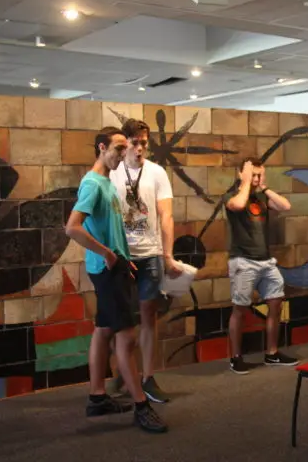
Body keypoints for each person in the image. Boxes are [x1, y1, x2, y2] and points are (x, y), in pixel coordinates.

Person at [65, 126, 168, 433]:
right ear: (101, 147)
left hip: (116, 267)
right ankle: (141, 405)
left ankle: (97, 398)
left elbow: (110, 227)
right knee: (126, 338)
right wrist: (109, 255)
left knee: (103, 330)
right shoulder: (93, 184)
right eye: (119, 148)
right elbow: (72, 228)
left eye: (126, 149)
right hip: (107, 270)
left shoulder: (106, 181)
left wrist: (121, 255)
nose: (124, 154)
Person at [106, 118, 181, 403]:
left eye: (144, 144)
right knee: (121, 320)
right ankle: (124, 374)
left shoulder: (156, 172)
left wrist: (167, 255)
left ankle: (148, 377)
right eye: (134, 143)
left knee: (149, 315)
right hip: (122, 255)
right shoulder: (113, 172)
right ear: (124, 144)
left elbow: (166, 215)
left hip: (149, 254)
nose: (139, 149)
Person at [223, 158, 298, 374]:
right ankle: (236, 357)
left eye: (259, 175)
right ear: (241, 174)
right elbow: (238, 205)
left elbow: (285, 206)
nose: (256, 178)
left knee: (276, 303)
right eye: (252, 174)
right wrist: (246, 181)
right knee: (240, 309)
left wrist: (264, 187)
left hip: (266, 261)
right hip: (243, 261)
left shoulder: (262, 197)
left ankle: (272, 353)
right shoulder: (231, 196)